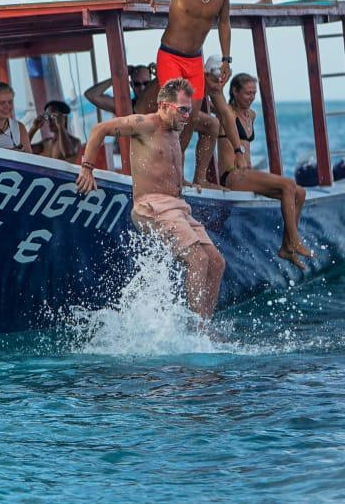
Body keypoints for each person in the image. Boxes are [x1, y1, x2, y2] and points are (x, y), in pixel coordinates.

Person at [75, 77, 226, 319]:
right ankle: (199, 331)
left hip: (179, 208)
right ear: (164, 106)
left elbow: (212, 126)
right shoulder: (144, 124)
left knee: (217, 263)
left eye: (189, 109)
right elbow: (99, 129)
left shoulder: (175, 129)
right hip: (152, 206)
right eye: (183, 109)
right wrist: (86, 167)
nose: (187, 115)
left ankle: (204, 323)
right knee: (197, 260)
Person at [132, 0, 241, 185]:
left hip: (194, 61)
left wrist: (226, 58)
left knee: (190, 119)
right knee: (174, 113)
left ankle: (177, 172)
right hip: (170, 56)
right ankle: (159, 168)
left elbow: (224, 23)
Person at [205, 69, 312, 269]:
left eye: (253, 94)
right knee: (288, 185)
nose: (251, 98)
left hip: (248, 174)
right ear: (235, 92)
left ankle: (286, 247)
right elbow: (211, 98)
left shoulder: (251, 115)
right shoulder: (226, 113)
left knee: (300, 192)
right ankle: (294, 241)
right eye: (247, 93)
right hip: (233, 176)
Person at [84, 64, 160, 116]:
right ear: (131, 85)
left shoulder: (162, 103)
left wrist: (160, 73)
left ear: (151, 83)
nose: (142, 88)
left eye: (146, 83)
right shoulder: (126, 107)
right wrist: (120, 76)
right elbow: (91, 95)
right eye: (137, 84)